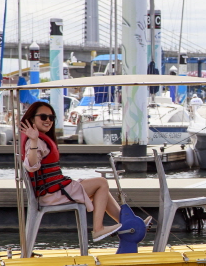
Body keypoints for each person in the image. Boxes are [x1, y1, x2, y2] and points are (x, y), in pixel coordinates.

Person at [21, 101, 146, 241]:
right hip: (51, 194)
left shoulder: (40, 140)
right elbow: (31, 165)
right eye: (43, 117)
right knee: (101, 182)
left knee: (101, 190)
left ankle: (127, 224)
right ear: (32, 119)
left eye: (51, 117)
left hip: (54, 190)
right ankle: (98, 229)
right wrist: (33, 140)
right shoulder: (36, 141)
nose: (48, 120)